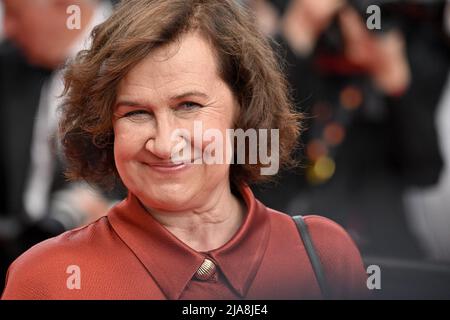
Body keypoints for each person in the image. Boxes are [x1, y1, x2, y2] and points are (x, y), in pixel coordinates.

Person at [1, 0, 367, 300]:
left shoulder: (324, 255)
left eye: (188, 106)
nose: (163, 143)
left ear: (245, 108)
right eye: (136, 113)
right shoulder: (44, 279)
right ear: (106, 126)